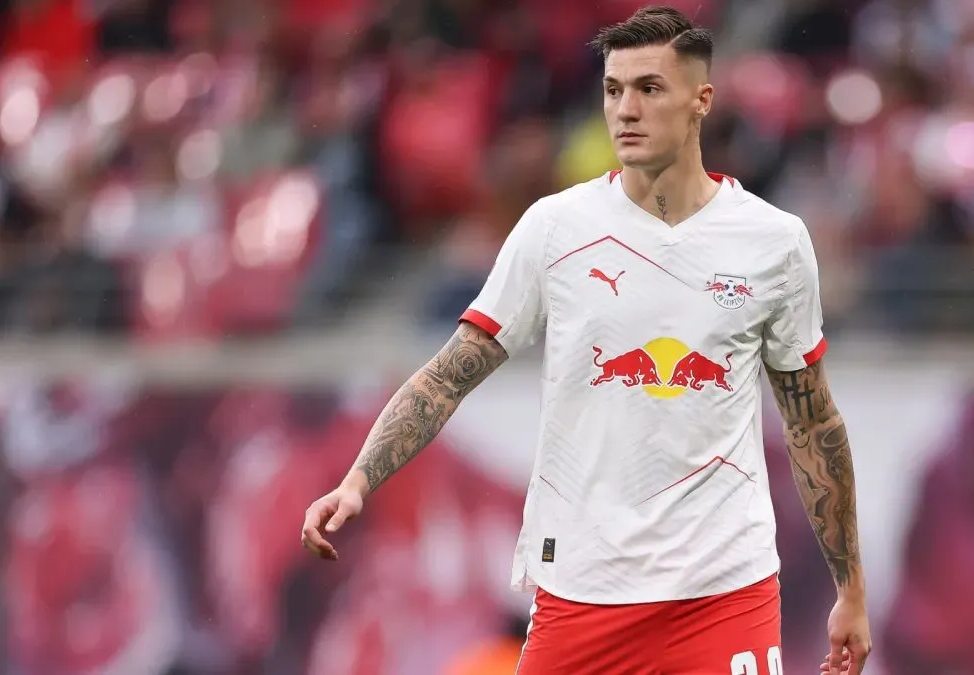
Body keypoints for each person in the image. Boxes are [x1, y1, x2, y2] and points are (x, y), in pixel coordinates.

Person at [301, 6, 872, 674]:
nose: (625, 108)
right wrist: (360, 479)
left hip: (722, 592)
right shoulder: (556, 229)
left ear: (701, 101)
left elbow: (812, 421)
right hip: (582, 588)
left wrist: (850, 588)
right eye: (612, 89)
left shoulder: (773, 242)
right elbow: (448, 373)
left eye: (649, 88)